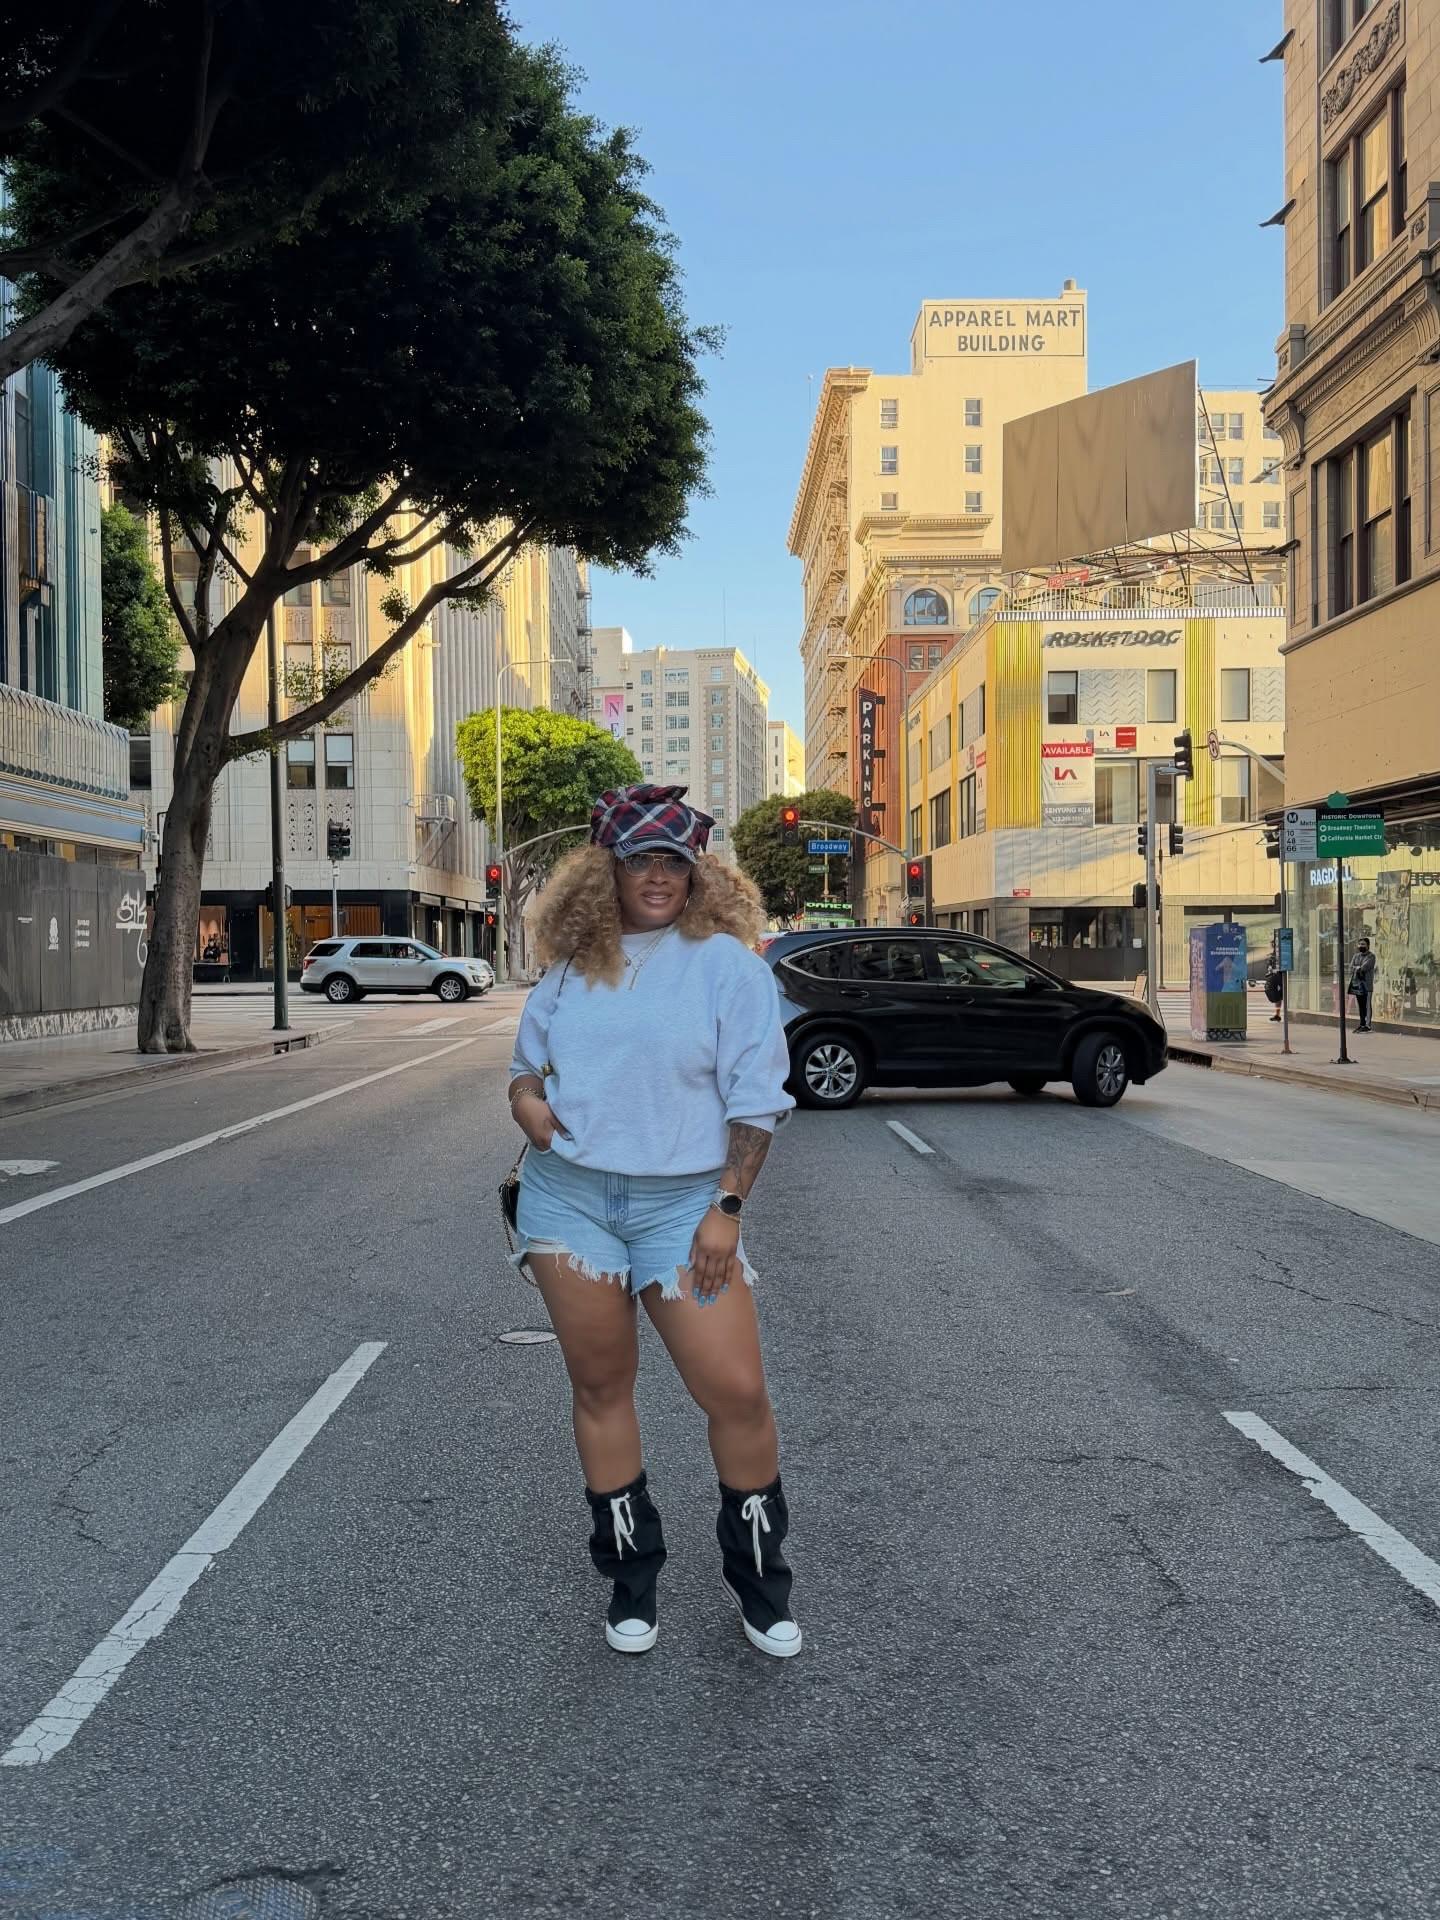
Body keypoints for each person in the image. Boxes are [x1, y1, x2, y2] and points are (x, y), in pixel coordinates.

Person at [506, 783, 801, 1660]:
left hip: (685, 1207)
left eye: (676, 859)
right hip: (570, 1201)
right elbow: (527, 1074)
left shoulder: (728, 967)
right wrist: (526, 1105)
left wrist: (728, 1211)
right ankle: (631, 1581)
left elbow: (757, 1105)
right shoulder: (567, 970)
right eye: (642, 858)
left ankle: (761, 1584)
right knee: (601, 1389)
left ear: (697, 871)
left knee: (736, 1393)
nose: (660, 874)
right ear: (608, 871)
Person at [1349, 935, 1376, 1032]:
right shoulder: (1356, 956)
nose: (1361, 946)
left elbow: (1364, 968)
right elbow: (1350, 968)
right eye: (1360, 944)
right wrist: (1357, 968)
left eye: (1363, 944)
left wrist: (1357, 968)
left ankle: (1368, 1026)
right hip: (1357, 985)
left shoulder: (1371, 956)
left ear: (1368, 946)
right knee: (1359, 1006)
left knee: (1367, 1005)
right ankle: (1362, 1024)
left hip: (1367, 986)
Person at [1264, 944, 1285, 1023]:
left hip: (1281, 975)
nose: (1273, 946)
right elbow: (1270, 963)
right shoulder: (1274, 953)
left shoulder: (1283, 952)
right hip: (1276, 975)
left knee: (1282, 994)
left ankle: (1279, 1014)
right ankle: (1277, 1015)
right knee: (1277, 995)